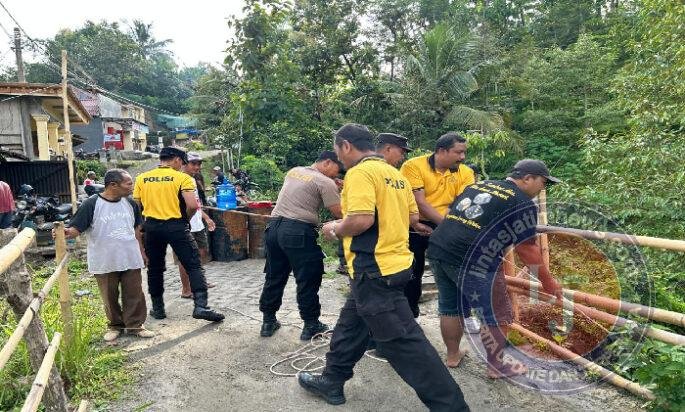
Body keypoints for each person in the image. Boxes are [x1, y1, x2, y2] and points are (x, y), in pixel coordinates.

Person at [298, 123, 469, 411]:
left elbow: (361, 219)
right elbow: (413, 217)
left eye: (339, 150)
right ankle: (332, 380)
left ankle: (452, 407)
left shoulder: (360, 173)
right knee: (351, 324)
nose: (339, 158)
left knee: (405, 344)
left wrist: (335, 228)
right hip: (393, 266)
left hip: (374, 270)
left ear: (346, 145)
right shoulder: (396, 175)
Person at [426, 159, 563, 376]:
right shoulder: (522, 202)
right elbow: (526, 249)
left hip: (439, 248)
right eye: (543, 182)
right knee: (497, 314)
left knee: (451, 307)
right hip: (474, 259)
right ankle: (496, 366)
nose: (542, 188)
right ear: (528, 178)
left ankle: (453, 355)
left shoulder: (480, 185)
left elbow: (453, 213)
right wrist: (548, 282)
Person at [133, 147, 224, 322]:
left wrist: (142, 230)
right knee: (194, 265)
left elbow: (136, 208)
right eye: (182, 162)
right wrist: (185, 221)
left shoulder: (142, 178)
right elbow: (192, 205)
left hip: (152, 227)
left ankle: (158, 309)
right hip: (176, 226)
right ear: (176, 160)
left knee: (155, 269)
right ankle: (201, 306)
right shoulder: (183, 178)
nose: (181, 166)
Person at [62, 169, 154, 342]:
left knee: (134, 293)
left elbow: (136, 229)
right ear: (113, 185)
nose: (132, 187)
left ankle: (135, 325)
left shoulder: (131, 203)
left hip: (130, 256)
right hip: (104, 259)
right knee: (109, 296)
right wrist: (65, 232)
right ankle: (115, 326)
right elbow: (76, 229)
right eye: (128, 183)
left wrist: (141, 251)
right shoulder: (91, 204)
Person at [258, 151, 343, 341]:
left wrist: (333, 183)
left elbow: (306, 188)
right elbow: (339, 213)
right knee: (308, 277)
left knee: (274, 276)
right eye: (338, 170)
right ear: (328, 162)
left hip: (273, 229)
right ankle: (311, 324)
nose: (337, 175)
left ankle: (268, 322)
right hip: (297, 232)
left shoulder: (294, 171)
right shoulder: (325, 182)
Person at [399, 132, 475, 318]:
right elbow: (420, 202)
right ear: (441, 151)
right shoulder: (413, 166)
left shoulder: (465, 172)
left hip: (448, 225)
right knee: (412, 271)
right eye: (458, 152)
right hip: (416, 225)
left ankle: (461, 315)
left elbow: (461, 203)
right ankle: (409, 315)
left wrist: (447, 228)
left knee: (456, 270)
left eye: (464, 152)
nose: (462, 157)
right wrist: (445, 227)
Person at [175, 152, 217, 298]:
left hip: (197, 223)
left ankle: (199, 281)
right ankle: (186, 289)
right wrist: (184, 221)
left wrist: (206, 217)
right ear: (184, 164)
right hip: (184, 224)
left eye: (199, 164)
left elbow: (196, 204)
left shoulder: (192, 180)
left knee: (201, 252)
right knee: (184, 258)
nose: (197, 167)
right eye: (193, 163)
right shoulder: (178, 180)